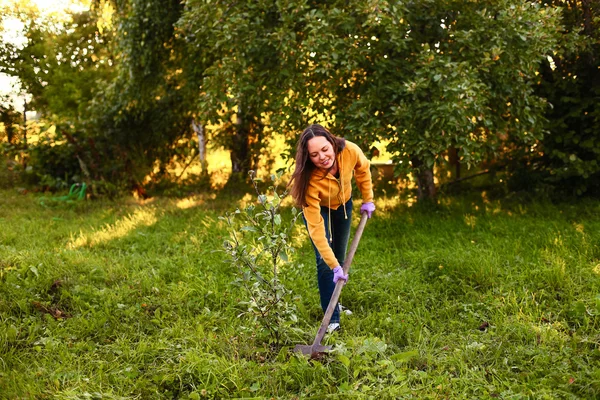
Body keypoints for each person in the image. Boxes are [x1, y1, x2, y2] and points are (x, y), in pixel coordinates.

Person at [289, 124, 376, 333]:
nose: (322, 157)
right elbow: (317, 231)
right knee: (325, 261)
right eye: (314, 154)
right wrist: (333, 266)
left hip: (343, 204)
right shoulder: (308, 181)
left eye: (325, 149)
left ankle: (335, 301)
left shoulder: (349, 150)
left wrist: (368, 199)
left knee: (340, 255)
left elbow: (363, 170)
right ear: (308, 157)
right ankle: (332, 318)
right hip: (319, 209)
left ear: (332, 142)